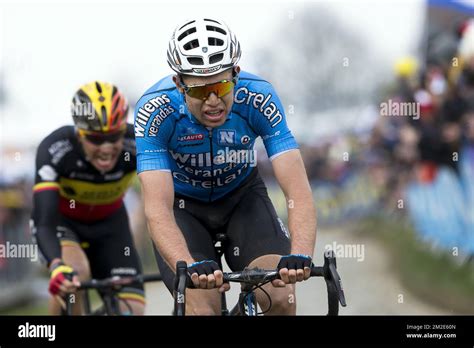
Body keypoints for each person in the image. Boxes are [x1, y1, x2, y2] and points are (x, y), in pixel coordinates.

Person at [136, 18, 316, 315]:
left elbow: (298, 189)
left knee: (281, 299)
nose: (212, 101)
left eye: (220, 85)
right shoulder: (154, 110)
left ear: (236, 73)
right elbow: (157, 209)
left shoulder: (259, 97)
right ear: (179, 84)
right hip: (184, 209)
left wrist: (300, 254)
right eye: (197, 90)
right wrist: (189, 264)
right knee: (203, 310)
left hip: (243, 201)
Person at [31, 81, 145, 315]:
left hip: (111, 225)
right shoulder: (56, 148)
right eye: (95, 139)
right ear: (79, 133)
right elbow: (44, 222)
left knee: (130, 309)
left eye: (114, 137)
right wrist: (55, 266)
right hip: (63, 224)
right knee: (74, 274)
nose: (106, 148)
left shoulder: (138, 142)